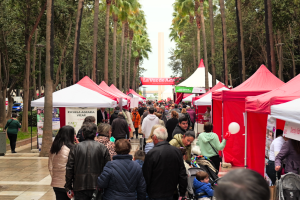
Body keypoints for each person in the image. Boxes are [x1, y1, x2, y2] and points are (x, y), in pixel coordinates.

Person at [65, 122, 111, 200]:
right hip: (98, 185)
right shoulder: (102, 148)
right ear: (95, 133)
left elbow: (69, 168)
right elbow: (108, 168)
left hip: (79, 186)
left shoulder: (75, 148)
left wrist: (68, 186)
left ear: (82, 134)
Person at [142, 127, 187, 200]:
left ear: (155, 137)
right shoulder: (177, 151)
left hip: (155, 193)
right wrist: (182, 192)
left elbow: (146, 175)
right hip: (171, 192)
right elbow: (182, 174)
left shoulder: (152, 153)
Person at [48, 126, 75, 200]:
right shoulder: (71, 149)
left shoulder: (54, 147)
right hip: (67, 184)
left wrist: (54, 177)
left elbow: (50, 165)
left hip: (56, 183)